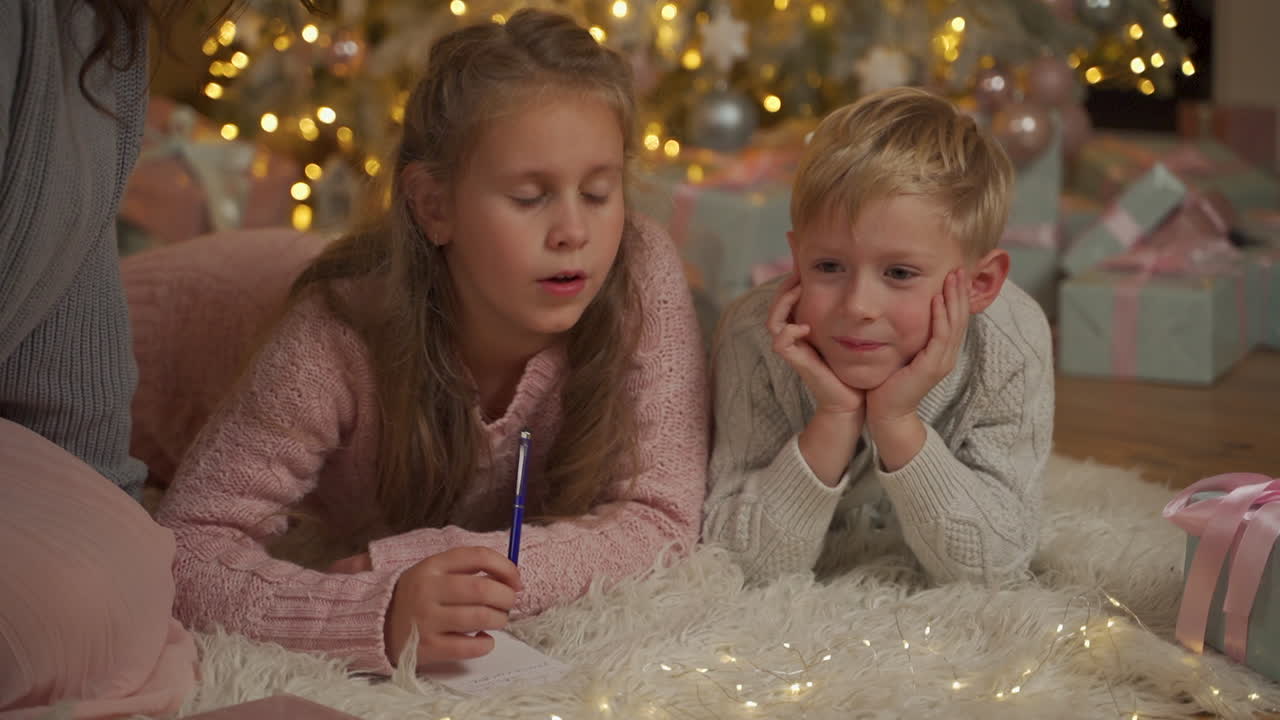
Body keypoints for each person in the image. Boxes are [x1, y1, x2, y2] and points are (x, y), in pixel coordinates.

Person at [155, 8, 708, 675]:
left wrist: (425, 565)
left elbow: (663, 518)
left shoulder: (637, 271)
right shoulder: (335, 332)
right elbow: (181, 549)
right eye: (530, 197)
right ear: (433, 206)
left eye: (598, 191)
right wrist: (373, 613)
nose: (573, 231)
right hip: (153, 334)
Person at [702, 87, 1054, 588]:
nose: (858, 307)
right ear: (797, 257)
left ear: (980, 284)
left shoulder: (1010, 342)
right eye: (828, 267)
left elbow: (993, 568)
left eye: (900, 273)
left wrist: (897, 422)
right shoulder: (753, 338)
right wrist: (834, 419)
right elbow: (738, 564)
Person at [0, 0, 199, 716]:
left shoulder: (105, 31)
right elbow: (218, 533)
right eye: (527, 194)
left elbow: (71, 328)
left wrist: (108, 532)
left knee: (128, 587)